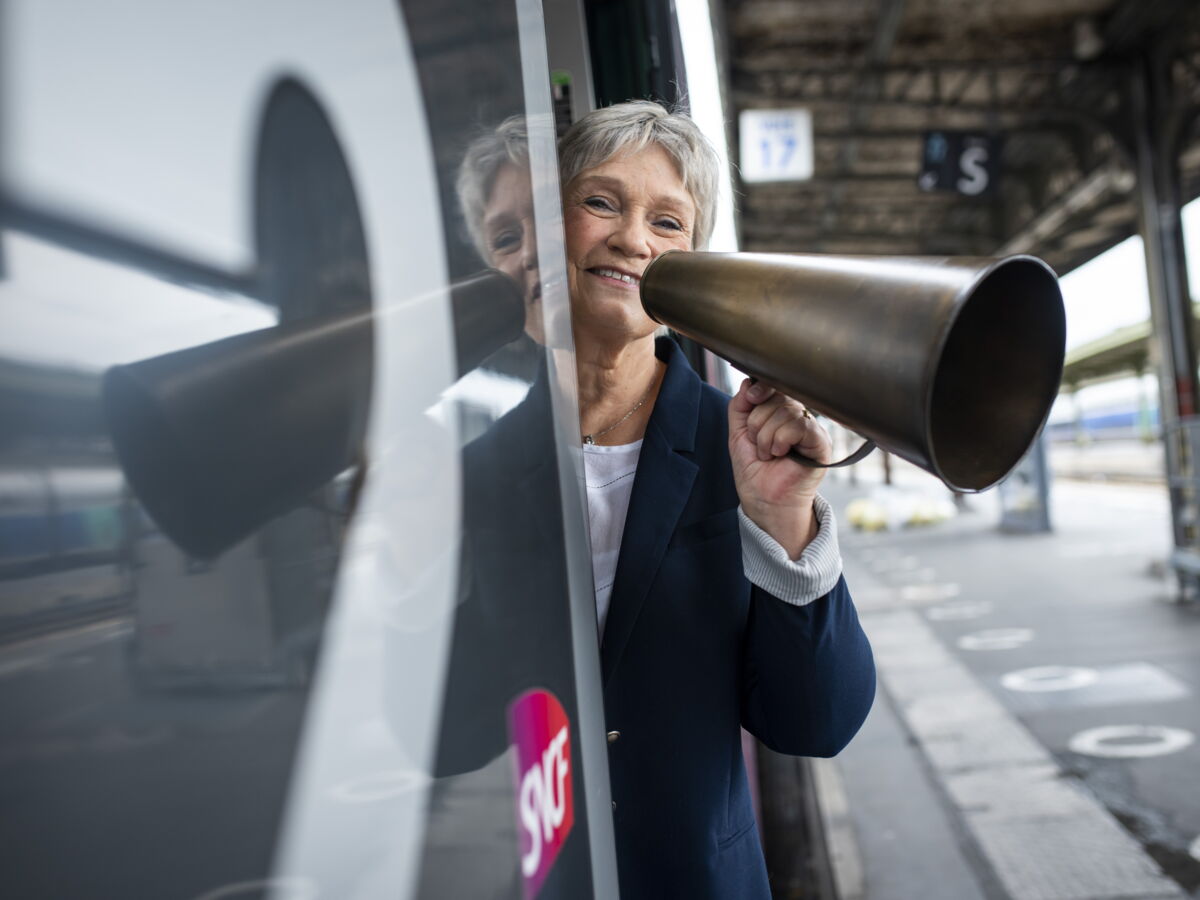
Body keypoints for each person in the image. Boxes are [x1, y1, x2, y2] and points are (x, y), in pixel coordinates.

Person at [559, 100, 875, 899]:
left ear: (693, 265)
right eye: (601, 202)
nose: (633, 239)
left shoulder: (736, 445)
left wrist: (785, 523)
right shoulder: (478, 455)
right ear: (549, 225)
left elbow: (816, 724)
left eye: (667, 222)